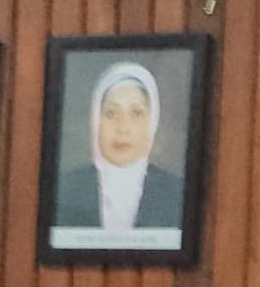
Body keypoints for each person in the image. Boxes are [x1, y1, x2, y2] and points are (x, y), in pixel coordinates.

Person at [51, 60, 186, 234]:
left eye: (136, 113)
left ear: (151, 123)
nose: (123, 128)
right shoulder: (65, 189)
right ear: (96, 121)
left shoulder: (176, 192)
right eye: (111, 113)